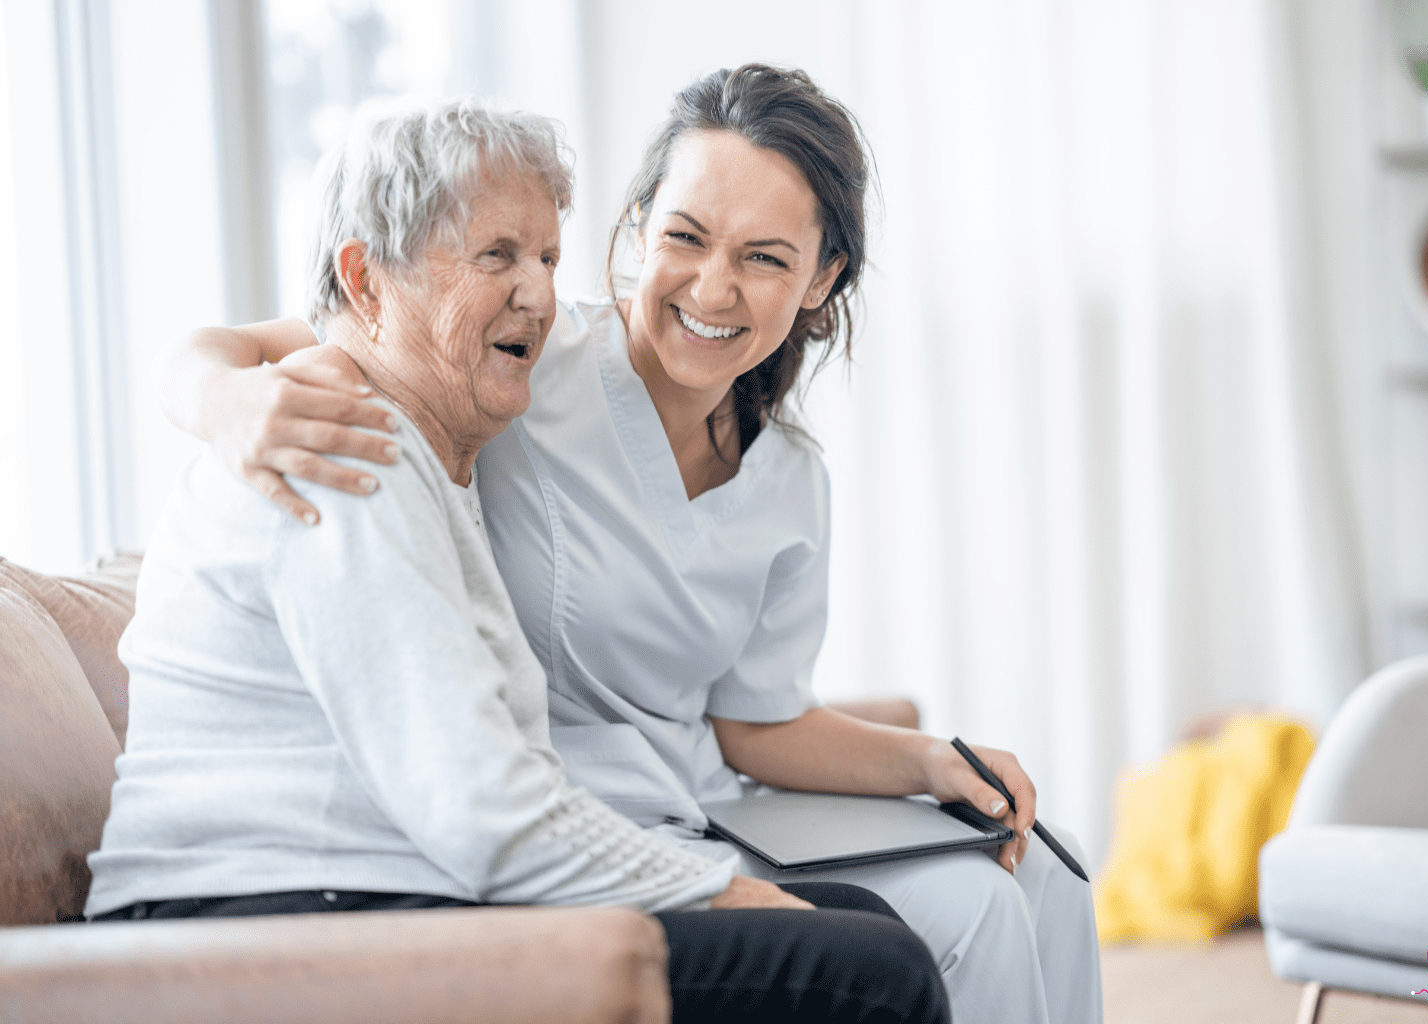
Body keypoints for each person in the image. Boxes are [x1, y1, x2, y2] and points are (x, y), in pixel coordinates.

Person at [161, 66, 1103, 1024]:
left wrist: (930, 762)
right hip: (555, 827)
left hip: (697, 810)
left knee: (1049, 877)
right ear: (641, 226)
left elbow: (753, 721)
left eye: (766, 258)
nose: (713, 286)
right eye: (686, 237)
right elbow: (329, 333)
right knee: (959, 919)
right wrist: (218, 398)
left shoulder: (786, 478)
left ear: (821, 279)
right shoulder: (515, 361)